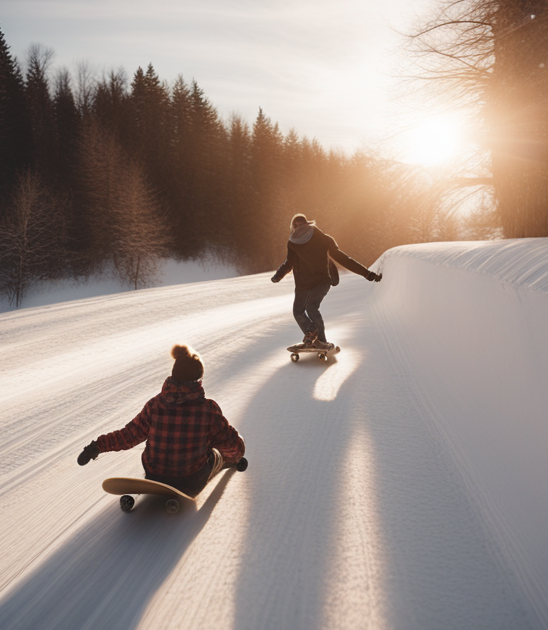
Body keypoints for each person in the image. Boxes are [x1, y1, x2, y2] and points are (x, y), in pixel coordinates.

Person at [77, 344, 246, 497]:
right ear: (198, 381)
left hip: (155, 475)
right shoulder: (208, 409)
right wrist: (236, 456)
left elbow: (128, 436)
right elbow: (231, 444)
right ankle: (219, 464)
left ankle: (166, 476)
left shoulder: (155, 405)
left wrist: (97, 446)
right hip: (191, 481)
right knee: (216, 451)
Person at [271, 213, 382, 349]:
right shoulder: (302, 241)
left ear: (306, 225)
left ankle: (318, 338)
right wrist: (279, 275)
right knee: (301, 310)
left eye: (300, 225)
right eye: (297, 226)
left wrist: (367, 274)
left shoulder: (314, 240)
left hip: (317, 282)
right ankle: (313, 336)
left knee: (308, 308)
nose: (299, 228)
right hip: (309, 283)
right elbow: (290, 263)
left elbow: (342, 258)